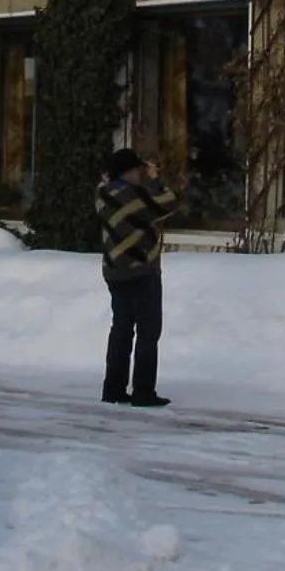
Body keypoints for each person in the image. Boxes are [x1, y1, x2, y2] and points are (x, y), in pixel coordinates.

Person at [97, 146, 178, 407]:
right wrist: (156, 179)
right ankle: (143, 391)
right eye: (137, 170)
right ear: (128, 171)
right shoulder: (134, 196)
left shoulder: (102, 195)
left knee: (120, 329)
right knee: (148, 331)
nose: (139, 174)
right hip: (142, 271)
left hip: (114, 272)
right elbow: (168, 203)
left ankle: (113, 388)